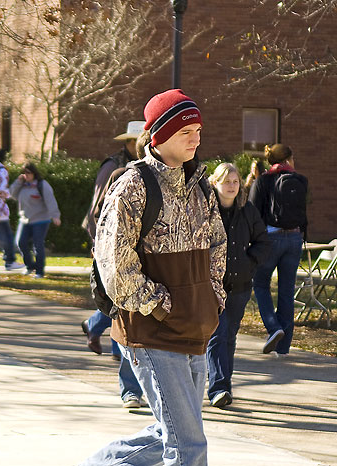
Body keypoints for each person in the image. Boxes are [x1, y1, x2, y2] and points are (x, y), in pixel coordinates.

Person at [82, 89, 227, 466]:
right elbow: (113, 263)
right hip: (152, 333)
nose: (196, 137)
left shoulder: (202, 188)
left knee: (171, 435)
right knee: (189, 447)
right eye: (186, 131)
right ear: (160, 136)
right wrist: (162, 306)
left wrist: (212, 299)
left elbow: (218, 246)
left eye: (198, 129)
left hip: (194, 330)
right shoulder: (132, 186)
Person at [80, 121, 148, 409]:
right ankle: (129, 389)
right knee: (118, 309)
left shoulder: (147, 170)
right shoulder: (115, 168)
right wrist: (102, 249)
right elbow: (99, 209)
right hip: (109, 248)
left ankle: (93, 326)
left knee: (121, 313)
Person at [206, 163, 270, 408]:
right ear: (215, 183)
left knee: (229, 336)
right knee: (217, 334)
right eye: (226, 181)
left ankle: (224, 387)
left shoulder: (247, 210)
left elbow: (263, 242)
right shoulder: (206, 210)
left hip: (240, 284)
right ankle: (218, 388)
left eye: (235, 181)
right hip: (212, 286)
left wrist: (249, 262)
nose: (231, 186)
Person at [250, 144, 307, 357]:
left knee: (261, 283)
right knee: (286, 290)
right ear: (289, 159)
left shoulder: (263, 180)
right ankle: (283, 347)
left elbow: (252, 212)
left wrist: (252, 241)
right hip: (294, 238)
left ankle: (274, 328)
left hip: (270, 239)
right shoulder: (300, 180)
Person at [9, 162, 60, 278]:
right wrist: (18, 182)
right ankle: (30, 266)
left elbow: (50, 200)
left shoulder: (42, 185)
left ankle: (39, 271)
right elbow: (12, 194)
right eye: (23, 173)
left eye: (28, 173)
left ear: (34, 173)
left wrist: (55, 215)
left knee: (37, 245)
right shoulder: (22, 185)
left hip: (41, 220)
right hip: (25, 219)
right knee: (20, 243)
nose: (26, 175)